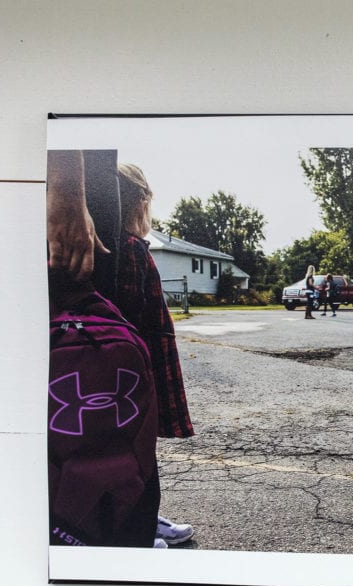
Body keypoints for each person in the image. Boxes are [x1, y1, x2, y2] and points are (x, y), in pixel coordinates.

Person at [46, 152, 194, 548]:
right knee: (131, 443)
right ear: (140, 201)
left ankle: (120, 517)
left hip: (94, 371)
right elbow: (139, 324)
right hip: (126, 374)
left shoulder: (106, 247)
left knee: (95, 446)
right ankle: (133, 520)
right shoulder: (130, 251)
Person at [113, 163, 197, 546]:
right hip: (133, 370)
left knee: (122, 448)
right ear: (140, 201)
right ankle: (139, 527)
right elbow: (135, 317)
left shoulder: (114, 247)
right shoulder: (129, 250)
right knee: (136, 449)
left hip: (120, 370)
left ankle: (138, 521)